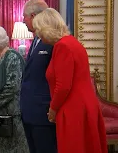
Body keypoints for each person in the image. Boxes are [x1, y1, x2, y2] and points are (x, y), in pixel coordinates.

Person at [32, 8, 108, 153]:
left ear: (47, 28)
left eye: (38, 30)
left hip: (73, 108)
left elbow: (63, 86)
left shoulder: (62, 46)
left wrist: (53, 109)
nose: (38, 35)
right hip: (84, 104)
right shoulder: (72, 42)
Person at [20, 0, 57, 153]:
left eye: (25, 17)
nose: (23, 21)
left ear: (34, 16)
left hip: (43, 112)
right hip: (30, 111)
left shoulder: (52, 41)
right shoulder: (36, 40)